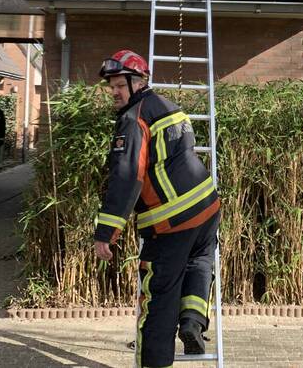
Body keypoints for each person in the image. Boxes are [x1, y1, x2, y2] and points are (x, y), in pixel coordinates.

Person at [94, 49, 221, 367]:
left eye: (120, 85)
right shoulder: (170, 107)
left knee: (158, 302)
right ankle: (193, 321)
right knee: (199, 263)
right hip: (207, 207)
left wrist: (106, 231)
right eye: (111, 86)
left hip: (170, 222)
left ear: (139, 82)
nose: (114, 92)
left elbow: (126, 176)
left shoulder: (133, 119)